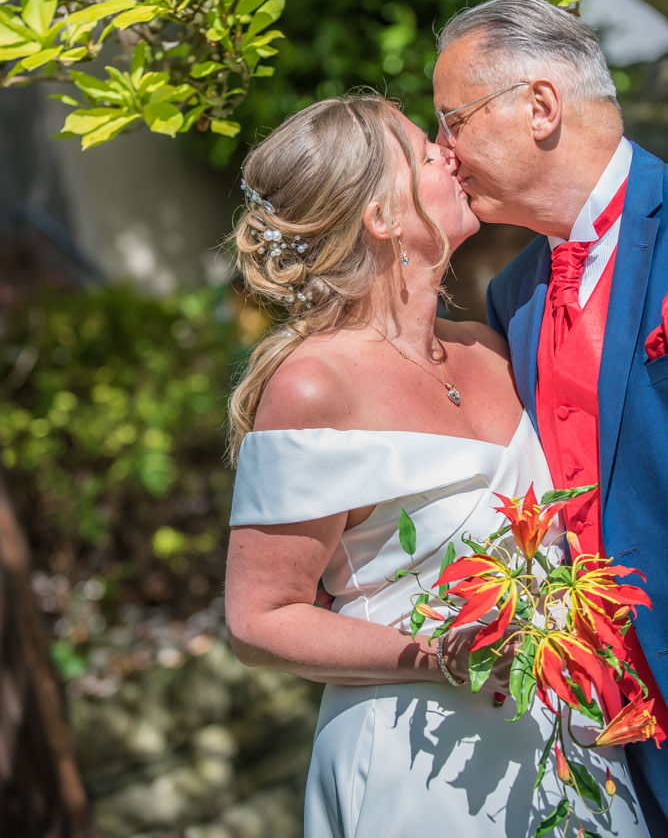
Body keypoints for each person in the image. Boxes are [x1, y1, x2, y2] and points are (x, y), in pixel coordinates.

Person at [224, 93, 649, 837]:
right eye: (426, 151)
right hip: (420, 765)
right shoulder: (313, 385)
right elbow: (259, 619)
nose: (451, 153)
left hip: (566, 742)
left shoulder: (491, 343)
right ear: (383, 219)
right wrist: (433, 656)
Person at [433, 0, 668, 837]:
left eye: (452, 120)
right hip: (613, 724)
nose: (442, 152)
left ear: (540, 107)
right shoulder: (512, 296)